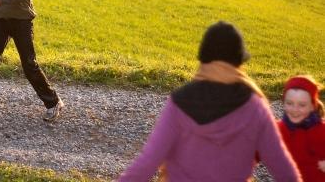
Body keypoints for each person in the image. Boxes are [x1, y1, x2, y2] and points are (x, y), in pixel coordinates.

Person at [119, 21, 301, 182]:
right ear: (238, 62)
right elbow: (283, 170)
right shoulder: (255, 107)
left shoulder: (179, 102)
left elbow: (147, 163)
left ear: (203, 59)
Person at [278, 75, 325, 181]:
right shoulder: (277, 129)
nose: (295, 109)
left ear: (313, 106)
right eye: (289, 103)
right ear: (284, 103)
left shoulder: (322, 131)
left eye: (302, 105)